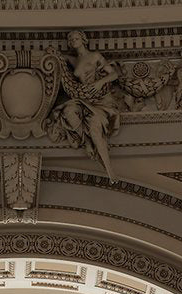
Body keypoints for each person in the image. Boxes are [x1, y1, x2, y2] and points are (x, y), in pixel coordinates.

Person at [49, 30, 120, 182]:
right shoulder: (73, 61)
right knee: (68, 111)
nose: (74, 41)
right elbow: (57, 59)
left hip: (101, 100)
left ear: (83, 40)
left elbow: (114, 74)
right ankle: (86, 142)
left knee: (95, 126)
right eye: (71, 39)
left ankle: (109, 170)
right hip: (84, 99)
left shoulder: (95, 56)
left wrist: (100, 82)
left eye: (76, 38)